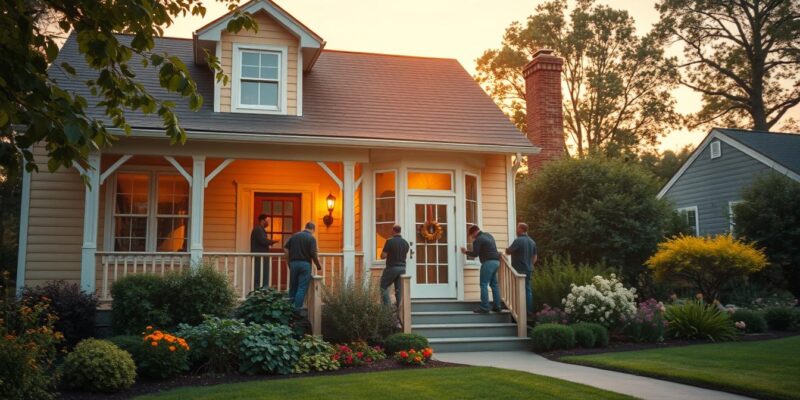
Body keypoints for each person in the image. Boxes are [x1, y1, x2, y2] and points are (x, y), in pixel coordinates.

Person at [460, 225, 501, 314]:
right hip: (496, 262)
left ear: (474, 232)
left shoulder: (478, 240)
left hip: (488, 263)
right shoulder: (489, 235)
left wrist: (465, 252)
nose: (471, 237)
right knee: (494, 285)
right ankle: (497, 306)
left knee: (483, 284)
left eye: (471, 235)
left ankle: (485, 307)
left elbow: (475, 254)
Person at [284, 222, 323, 311]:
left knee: (293, 286)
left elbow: (286, 248)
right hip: (305, 264)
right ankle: (296, 311)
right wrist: (318, 266)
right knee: (301, 288)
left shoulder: (294, 236)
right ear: (313, 229)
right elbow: (313, 253)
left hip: (293, 263)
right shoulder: (311, 238)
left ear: (305, 227)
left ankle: (288, 311)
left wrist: (288, 262)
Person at [505, 222, 537, 318]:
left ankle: (518, 311)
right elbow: (535, 257)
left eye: (517, 228)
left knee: (517, 290)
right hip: (529, 269)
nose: (516, 230)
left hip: (519, 270)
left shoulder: (518, 240)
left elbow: (508, 251)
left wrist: (506, 250)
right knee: (527, 290)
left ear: (521, 230)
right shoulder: (532, 242)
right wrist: (530, 265)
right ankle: (529, 311)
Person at [380, 225, 410, 307]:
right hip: (402, 268)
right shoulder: (406, 243)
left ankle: (387, 307)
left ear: (393, 231)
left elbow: (383, 256)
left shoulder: (390, 241)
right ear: (400, 231)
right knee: (398, 290)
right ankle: (399, 310)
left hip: (392, 268)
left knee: (383, 286)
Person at [250, 214, 278, 289]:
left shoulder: (260, 229)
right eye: (267, 221)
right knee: (259, 276)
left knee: (263, 275)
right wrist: (273, 241)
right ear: (262, 221)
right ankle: (259, 293)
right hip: (259, 257)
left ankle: (263, 292)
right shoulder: (258, 229)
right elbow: (263, 241)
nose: (268, 223)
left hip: (262, 257)